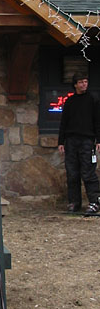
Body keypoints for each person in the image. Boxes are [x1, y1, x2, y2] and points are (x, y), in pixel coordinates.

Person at [58, 73, 100, 215]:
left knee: (88, 172)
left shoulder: (93, 99)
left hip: (87, 140)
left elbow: (97, 121)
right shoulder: (70, 101)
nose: (84, 84)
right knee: (72, 173)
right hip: (71, 140)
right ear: (75, 84)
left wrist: (98, 140)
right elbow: (63, 122)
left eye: (86, 82)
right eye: (81, 82)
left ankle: (94, 202)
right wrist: (61, 141)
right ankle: (74, 202)